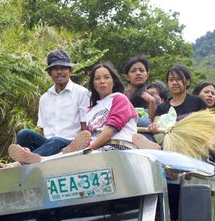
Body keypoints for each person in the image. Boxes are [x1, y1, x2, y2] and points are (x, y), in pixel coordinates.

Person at [8, 62, 138, 163]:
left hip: (115, 147)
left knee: (57, 143)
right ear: (93, 84)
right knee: (27, 135)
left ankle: (23, 162)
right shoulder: (92, 109)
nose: (102, 81)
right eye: (97, 78)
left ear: (113, 81)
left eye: (106, 77)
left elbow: (111, 130)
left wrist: (88, 148)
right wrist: (82, 148)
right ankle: (33, 158)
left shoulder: (119, 98)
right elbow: (87, 135)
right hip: (92, 149)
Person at [14, 50, 91, 157]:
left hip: (71, 144)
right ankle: (32, 158)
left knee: (56, 140)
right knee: (24, 134)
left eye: (63, 68)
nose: (59, 72)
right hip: (49, 144)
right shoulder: (44, 98)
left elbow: (85, 127)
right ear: (50, 73)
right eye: (55, 69)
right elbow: (43, 129)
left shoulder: (82, 93)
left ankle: (21, 162)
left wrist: (85, 149)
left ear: (70, 71)